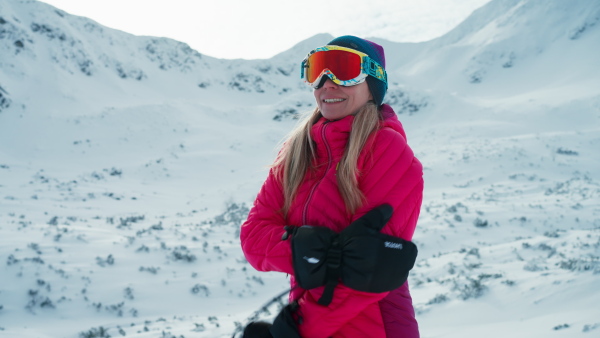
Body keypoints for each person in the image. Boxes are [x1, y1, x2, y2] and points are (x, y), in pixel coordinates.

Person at [240, 35, 423, 338]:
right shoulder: (297, 153)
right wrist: (305, 246)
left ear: (373, 82)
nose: (327, 83)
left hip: (374, 328)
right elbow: (253, 236)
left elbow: (373, 270)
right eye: (318, 70)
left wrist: (296, 328)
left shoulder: (387, 148)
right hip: (311, 320)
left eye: (343, 69)